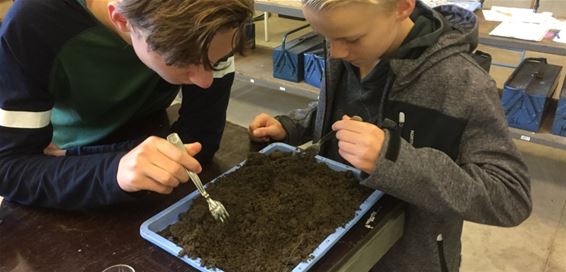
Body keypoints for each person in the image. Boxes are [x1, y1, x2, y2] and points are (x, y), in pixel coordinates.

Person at [248, 0, 532, 271]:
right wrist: (293, 125)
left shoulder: (463, 84)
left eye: (352, 39)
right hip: (329, 242)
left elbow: (510, 197)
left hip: (407, 258)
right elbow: (343, 107)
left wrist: (394, 158)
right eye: (323, 35)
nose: (335, 52)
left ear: (402, 7)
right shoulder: (344, 39)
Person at [0, 0, 254, 209]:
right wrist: (111, 169)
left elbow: (201, 138)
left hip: (148, 134)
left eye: (220, 58)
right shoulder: (34, 20)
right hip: (68, 164)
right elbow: (11, 168)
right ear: (122, 20)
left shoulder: (212, 34)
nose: (205, 81)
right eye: (183, 60)